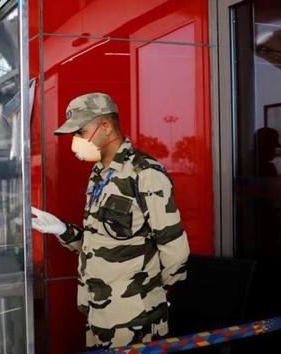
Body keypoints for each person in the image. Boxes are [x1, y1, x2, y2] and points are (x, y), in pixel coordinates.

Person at [32, 93, 190, 349]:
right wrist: (62, 230)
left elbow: (175, 249)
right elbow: (99, 242)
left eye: (81, 132)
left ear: (105, 126)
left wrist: (156, 297)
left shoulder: (144, 173)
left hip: (133, 318)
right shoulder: (98, 174)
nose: (76, 141)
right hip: (97, 311)